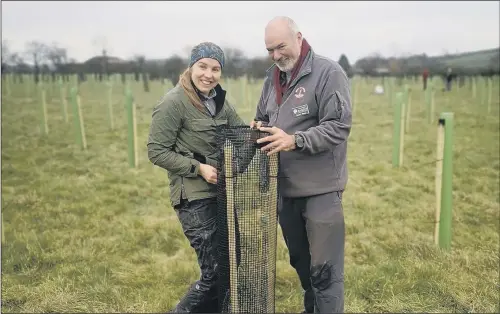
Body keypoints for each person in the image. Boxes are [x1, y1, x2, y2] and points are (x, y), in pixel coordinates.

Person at [250, 16, 352, 313]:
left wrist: (295, 140)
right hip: (284, 190)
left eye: (280, 46)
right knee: (303, 265)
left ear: (299, 38)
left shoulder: (328, 73)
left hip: (321, 190)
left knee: (325, 272)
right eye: (270, 50)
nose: (276, 55)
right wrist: (259, 127)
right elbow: (264, 117)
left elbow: (339, 126)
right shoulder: (272, 78)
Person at [147, 42, 247, 313]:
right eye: (203, 66)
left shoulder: (219, 101)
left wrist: (255, 132)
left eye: (216, 68)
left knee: (230, 265)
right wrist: (198, 168)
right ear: (191, 67)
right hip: (193, 198)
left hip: (220, 194)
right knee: (214, 273)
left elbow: (239, 133)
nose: (209, 74)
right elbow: (156, 151)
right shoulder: (173, 102)